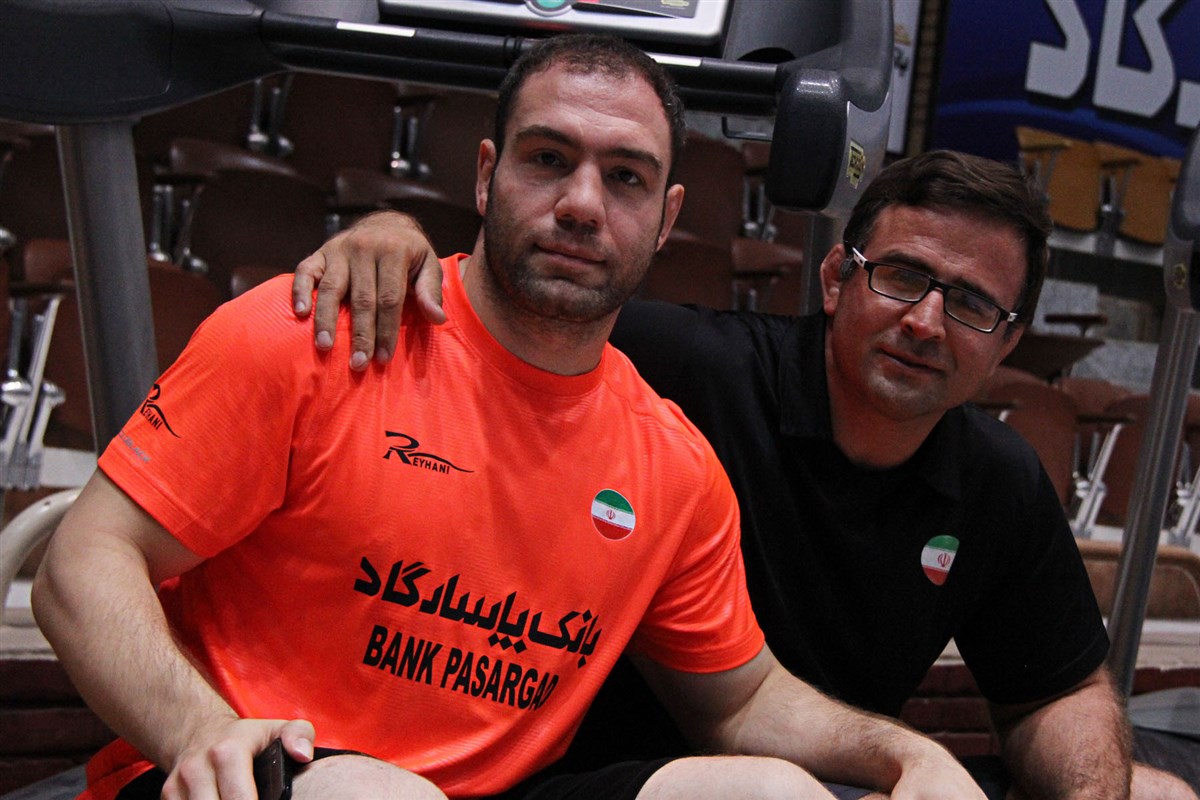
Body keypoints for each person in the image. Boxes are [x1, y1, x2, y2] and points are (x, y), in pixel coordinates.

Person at [32, 34, 985, 800]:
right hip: (256, 772)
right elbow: (85, 561)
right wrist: (201, 734)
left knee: (769, 791)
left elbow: (742, 700)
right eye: (549, 159)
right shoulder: (315, 332)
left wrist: (908, 754)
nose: (581, 204)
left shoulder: (674, 466)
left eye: (626, 177)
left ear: (666, 218)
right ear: (487, 176)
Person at [292, 149, 1200, 799]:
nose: (925, 322)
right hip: (615, 776)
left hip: (836, 772)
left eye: (969, 304)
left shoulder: (998, 480)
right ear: (836, 279)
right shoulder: (681, 367)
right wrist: (394, 234)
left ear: (1007, 342)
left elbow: (1059, 689)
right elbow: (509, 308)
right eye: (901, 277)